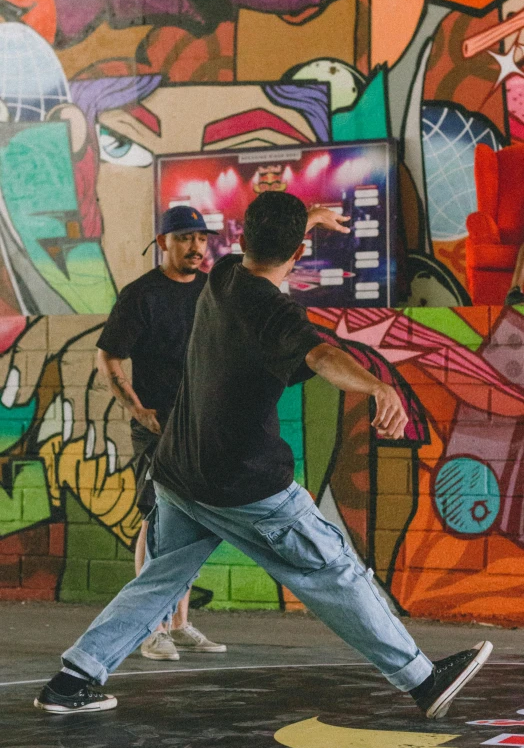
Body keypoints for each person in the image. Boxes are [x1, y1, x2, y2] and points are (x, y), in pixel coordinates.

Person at [35, 192, 492, 718]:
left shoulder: (224, 276)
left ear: (243, 240)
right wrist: (379, 388)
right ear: (298, 251)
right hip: (244, 485)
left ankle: (73, 679)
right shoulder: (274, 313)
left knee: (160, 578)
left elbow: (262, 248)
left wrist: (305, 222)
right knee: (334, 571)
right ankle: (422, 680)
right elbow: (323, 356)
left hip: (181, 472)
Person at [95, 205, 226, 661]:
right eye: (186, 238)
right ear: (164, 242)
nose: (195, 247)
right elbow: (109, 359)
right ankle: (150, 629)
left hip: (202, 427)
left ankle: (179, 622)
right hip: (159, 428)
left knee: (189, 523)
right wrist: (137, 407)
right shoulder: (141, 296)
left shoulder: (213, 290)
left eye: (201, 238)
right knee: (156, 521)